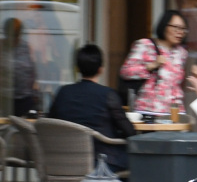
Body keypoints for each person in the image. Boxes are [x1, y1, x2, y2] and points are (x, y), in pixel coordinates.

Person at [49, 44, 135, 172]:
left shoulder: (62, 92)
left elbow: (50, 122)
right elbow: (129, 132)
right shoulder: (108, 95)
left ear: (77, 69)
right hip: (102, 161)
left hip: (65, 160)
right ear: (101, 69)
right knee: (137, 161)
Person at [120, 10, 188, 116]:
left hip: (175, 112)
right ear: (164, 26)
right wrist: (152, 65)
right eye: (176, 27)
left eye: (183, 29)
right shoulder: (145, 45)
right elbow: (125, 72)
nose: (180, 32)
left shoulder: (182, 52)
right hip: (148, 110)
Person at [1, 18, 39, 117]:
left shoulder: (26, 47)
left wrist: (35, 94)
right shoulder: (1, 46)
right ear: (5, 33)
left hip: (25, 99)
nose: (14, 39)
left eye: (16, 35)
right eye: (11, 35)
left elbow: (33, 72)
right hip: (4, 100)